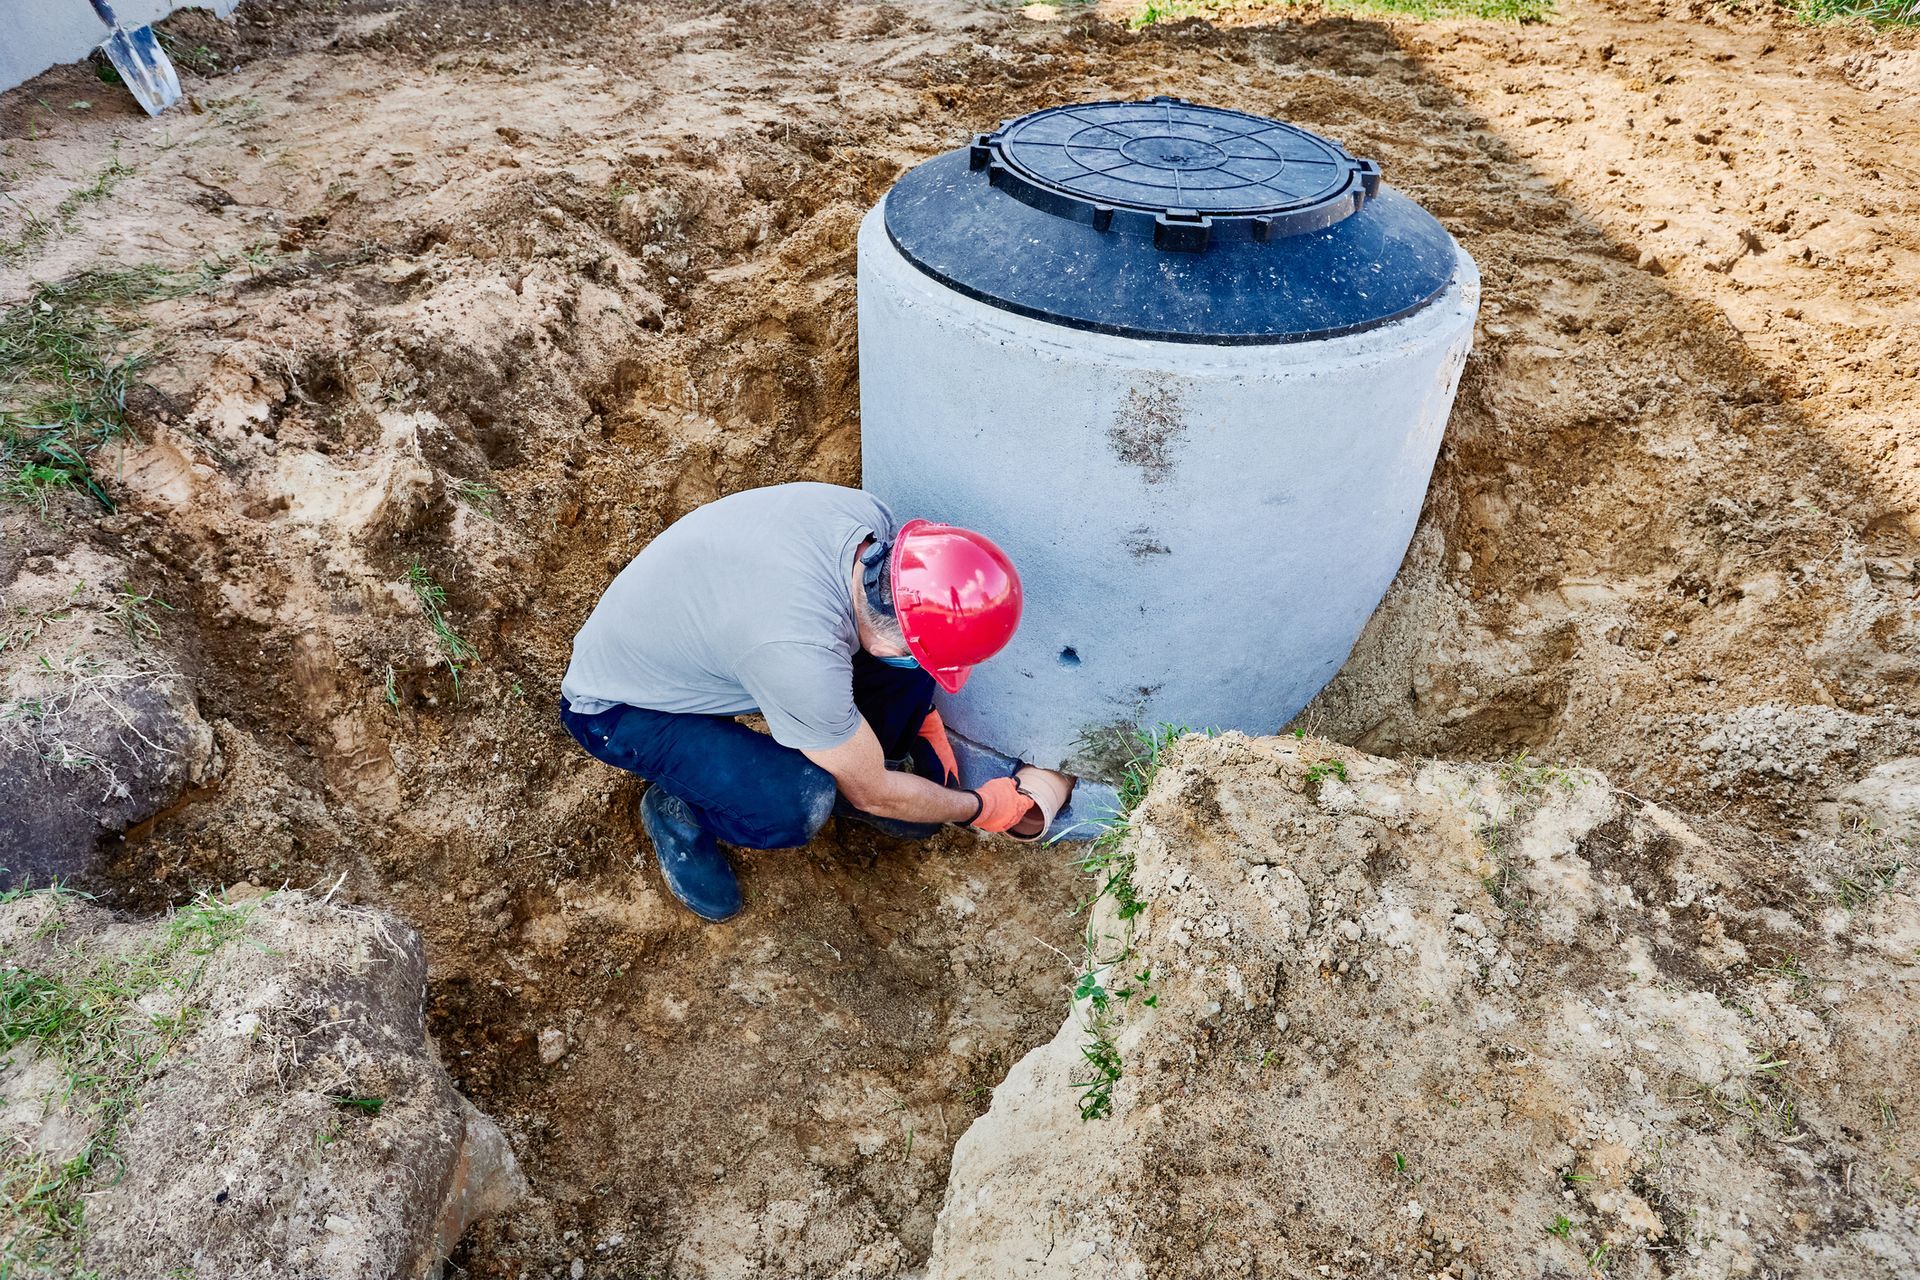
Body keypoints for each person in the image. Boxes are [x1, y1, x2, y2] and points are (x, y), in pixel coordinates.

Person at [559, 482, 1068, 922]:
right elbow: (876, 795)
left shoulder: (869, 526)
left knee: (903, 699)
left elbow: (885, 648)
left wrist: (920, 717)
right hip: (623, 709)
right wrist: (980, 807)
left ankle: (867, 750)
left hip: (709, 634)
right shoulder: (797, 651)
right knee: (799, 802)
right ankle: (679, 808)